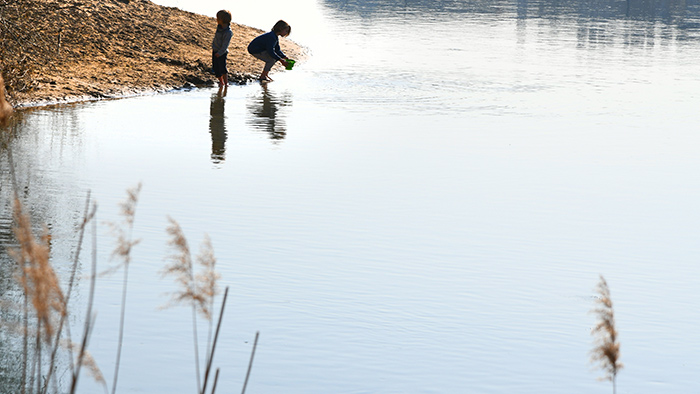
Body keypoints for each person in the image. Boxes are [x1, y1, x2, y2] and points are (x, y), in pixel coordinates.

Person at [212, 10, 233, 87]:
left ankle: (226, 82)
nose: (216, 20)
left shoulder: (228, 32)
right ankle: (221, 81)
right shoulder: (219, 28)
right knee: (215, 67)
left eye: (217, 18)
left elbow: (225, 45)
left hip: (222, 52)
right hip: (215, 50)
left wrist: (220, 53)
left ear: (221, 20)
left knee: (222, 67)